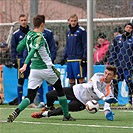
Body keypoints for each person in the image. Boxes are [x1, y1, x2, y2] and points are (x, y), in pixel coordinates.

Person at [7, 14, 75, 123]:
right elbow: (34, 50)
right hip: (46, 68)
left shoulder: (28, 34)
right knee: (60, 91)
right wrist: (25, 64)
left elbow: (19, 47)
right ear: (42, 24)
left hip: (34, 70)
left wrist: (25, 44)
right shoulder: (40, 37)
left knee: (30, 95)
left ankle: (17, 111)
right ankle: (66, 115)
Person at [31, 65, 118, 121]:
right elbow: (95, 88)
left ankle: (43, 115)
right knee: (49, 95)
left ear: (113, 77)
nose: (106, 76)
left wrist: (107, 112)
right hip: (75, 90)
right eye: (105, 73)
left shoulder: (110, 89)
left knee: (63, 109)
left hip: (82, 103)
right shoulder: (98, 76)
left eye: (109, 74)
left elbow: (107, 104)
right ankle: (49, 106)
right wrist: (103, 98)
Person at [109, 23, 133, 107]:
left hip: (128, 66)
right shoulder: (117, 38)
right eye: (127, 27)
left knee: (129, 82)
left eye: (130, 27)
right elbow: (113, 51)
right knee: (114, 81)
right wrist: (112, 62)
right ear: (124, 28)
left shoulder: (132, 40)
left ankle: (130, 101)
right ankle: (114, 99)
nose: (128, 29)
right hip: (118, 66)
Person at [11, 14, 32, 106]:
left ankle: (34, 101)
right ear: (19, 21)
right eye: (22, 20)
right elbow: (13, 48)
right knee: (21, 81)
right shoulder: (16, 34)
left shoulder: (32, 33)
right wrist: (13, 60)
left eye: (25, 20)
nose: (23, 22)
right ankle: (20, 101)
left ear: (27, 21)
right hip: (21, 60)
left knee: (33, 80)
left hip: (31, 60)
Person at [60, 14, 87, 86]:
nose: (73, 22)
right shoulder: (68, 32)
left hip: (78, 59)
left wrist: (84, 57)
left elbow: (85, 44)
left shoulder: (82, 31)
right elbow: (67, 45)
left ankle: (82, 95)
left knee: (81, 78)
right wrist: (64, 57)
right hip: (70, 59)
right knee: (71, 79)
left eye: (75, 21)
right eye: (71, 21)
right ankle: (73, 96)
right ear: (68, 21)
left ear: (77, 21)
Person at [37, 28, 56, 108]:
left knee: (50, 81)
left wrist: (51, 59)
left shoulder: (48, 33)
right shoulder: (32, 33)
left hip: (47, 62)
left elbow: (52, 47)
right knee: (38, 82)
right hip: (37, 62)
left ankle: (49, 102)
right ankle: (41, 101)